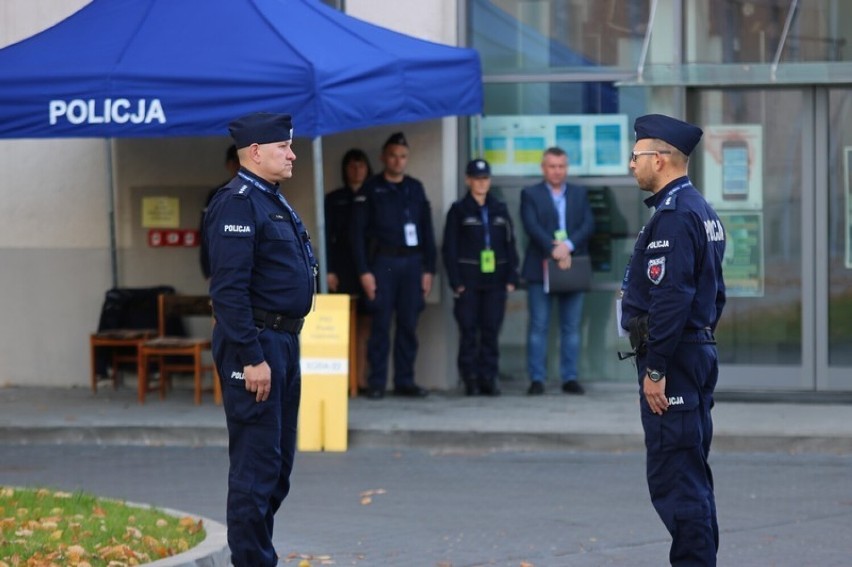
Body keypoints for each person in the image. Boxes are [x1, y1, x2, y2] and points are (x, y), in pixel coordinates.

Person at [205, 112, 317, 567]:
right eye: (283, 148)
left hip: (282, 344)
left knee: (277, 470)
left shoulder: (272, 198)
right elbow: (227, 290)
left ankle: (256, 555)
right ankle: (252, 561)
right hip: (257, 345)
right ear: (254, 152)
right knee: (256, 467)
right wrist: (251, 357)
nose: (292, 154)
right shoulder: (237, 202)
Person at [620, 113, 726, 566]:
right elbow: (714, 294)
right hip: (691, 352)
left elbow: (673, 295)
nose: (631, 165)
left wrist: (658, 368)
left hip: (675, 360)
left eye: (637, 156)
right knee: (691, 476)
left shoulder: (676, 215)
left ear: (660, 160)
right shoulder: (698, 209)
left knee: (677, 481)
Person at [351, 132, 437, 400]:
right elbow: (357, 234)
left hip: (412, 263)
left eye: (402, 157)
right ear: (383, 157)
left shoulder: (415, 188)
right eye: (393, 156)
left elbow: (427, 230)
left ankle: (405, 380)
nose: (398, 161)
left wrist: (429, 270)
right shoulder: (371, 189)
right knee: (380, 324)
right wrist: (364, 271)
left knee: (409, 324)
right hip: (383, 263)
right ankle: (376, 382)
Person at [519, 146, 595, 395]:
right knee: (539, 325)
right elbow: (530, 225)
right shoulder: (529, 194)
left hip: (572, 266)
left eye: (561, 166)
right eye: (552, 166)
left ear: (567, 168)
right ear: (543, 168)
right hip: (540, 266)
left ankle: (570, 378)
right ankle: (537, 379)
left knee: (571, 327)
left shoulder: (579, 193)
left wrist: (568, 246)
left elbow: (588, 223)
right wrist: (554, 249)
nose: (557, 171)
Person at [442, 158, 519, 396]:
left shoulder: (499, 208)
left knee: (490, 331)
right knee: (468, 332)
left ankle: (489, 378)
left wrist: (511, 276)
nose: (481, 183)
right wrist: (456, 282)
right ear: (468, 180)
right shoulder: (459, 210)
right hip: (469, 282)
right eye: (477, 178)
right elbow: (449, 248)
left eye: (485, 178)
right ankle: (470, 379)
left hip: (495, 282)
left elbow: (510, 244)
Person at [325, 148, 373, 393]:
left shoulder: (375, 195)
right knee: (341, 326)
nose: (357, 171)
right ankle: (343, 379)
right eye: (352, 166)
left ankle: (361, 378)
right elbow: (326, 238)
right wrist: (329, 270)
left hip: (369, 269)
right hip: (343, 269)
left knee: (366, 325)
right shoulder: (334, 198)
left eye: (361, 165)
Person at [200, 144, 240, 279]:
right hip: (224, 266)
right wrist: (208, 268)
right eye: (237, 161)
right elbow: (206, 231)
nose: (242, 166)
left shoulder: (263, 191)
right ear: (229, 164)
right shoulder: (219, 194)